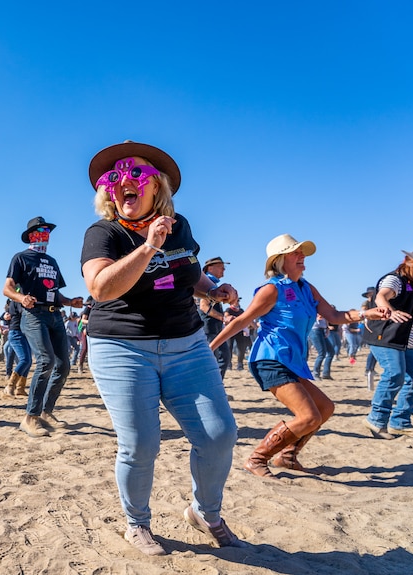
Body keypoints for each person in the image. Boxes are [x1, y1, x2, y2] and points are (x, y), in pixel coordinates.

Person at [81, 141, 244, 554]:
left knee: (219, 434)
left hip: (187, 344)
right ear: (107, 192)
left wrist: (215, 290)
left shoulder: (180, 224)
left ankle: (205, 512)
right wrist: (148, 246)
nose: (125, 183)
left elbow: (187, 271)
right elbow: (100, 288)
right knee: (141, 444)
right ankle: (136, 523)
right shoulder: (104, 233)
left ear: (157, 187)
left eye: (137, 174)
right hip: (122, 347)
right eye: (115, 177)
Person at [210, 234, 388, 477]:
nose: (302, 256)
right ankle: (257, 458)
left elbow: (334, 316)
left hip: (292, 361)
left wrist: (367, 314)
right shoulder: (272, 289)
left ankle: (287, 456)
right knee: (308, 415)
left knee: (325, 407)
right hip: (270, 358)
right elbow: (242, 320)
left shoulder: (306, 288)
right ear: (280, 259)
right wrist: (210, 348)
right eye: (296, 252)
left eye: (301, 252)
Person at [4, 216, 83, 438]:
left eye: (47, 230)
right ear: (31, 236)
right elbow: (7, 288)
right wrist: (21, 299)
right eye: (40, 230)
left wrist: (69, 302)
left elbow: (55, 293)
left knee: (63, 365)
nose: (45, 234)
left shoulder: (51, 261)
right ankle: (30, 417)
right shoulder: (20, 258)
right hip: (33, 314)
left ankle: (46, 412)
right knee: (46, 361)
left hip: (55, 315)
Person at [361, 246, 413, 439]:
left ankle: (400, 422)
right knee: (394, 373)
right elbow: (381, 296)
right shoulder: (396, 280)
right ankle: (376, 420)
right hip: (386, 338)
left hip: (408, 342)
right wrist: (391, 311)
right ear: (409, 263)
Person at [199, 257, 232, 378]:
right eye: (221, 267)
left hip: (214, 328)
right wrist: (224, 318)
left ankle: (217, 387)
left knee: (223, 357)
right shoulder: (206, 284)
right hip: (208, 328)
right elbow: (204, 306)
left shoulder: (212, 284)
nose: (223, 270)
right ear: (210, 268)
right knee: (216, 358)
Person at [2, 298, 31, 398]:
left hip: (25, 333)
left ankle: (20, 388)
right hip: (16, 333)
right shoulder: (18, 301)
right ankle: (10, 386)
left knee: (28, 361)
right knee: (24, 360)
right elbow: (23, 311)